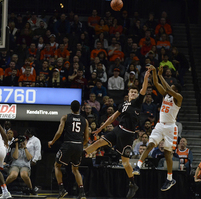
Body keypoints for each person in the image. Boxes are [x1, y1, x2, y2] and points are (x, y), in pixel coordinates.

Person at [83, 67, 151, 199]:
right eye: (131, 92)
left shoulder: (137, 103)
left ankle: (132, 184)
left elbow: (143, 90)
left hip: (127, 134)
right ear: (128, 93)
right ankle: (82, 154)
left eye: (135, 92)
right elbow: (112, 117)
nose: (133, 93)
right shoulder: (123, 104)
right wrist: (100, 128)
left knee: (125, 162)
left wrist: (146, 78)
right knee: (99, 142)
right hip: (118, 129)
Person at [132, 65, 183, 192]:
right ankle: (138, 166)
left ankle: (170, 179)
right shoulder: (166, 95)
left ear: (175, 89)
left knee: (167, 153)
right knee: (150, 145)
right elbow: (155, 83)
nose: (169, 88)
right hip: (161, 124)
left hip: (171, 127)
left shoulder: (178, 98)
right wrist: (155, 73)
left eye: (172, 88)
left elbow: (167, 88)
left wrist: (161, 75)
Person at [48, 100, 89, 199]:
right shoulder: (85, 120)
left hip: (68, 144)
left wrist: (52, 142)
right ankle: (82, 193)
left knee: (57, 166)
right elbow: (87, 139)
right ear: (80, 108)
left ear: (70, 108)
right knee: (75, 169)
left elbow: (59, 132)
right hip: (79, 145)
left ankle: (61, 189)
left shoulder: (66, 117)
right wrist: (79, 145)